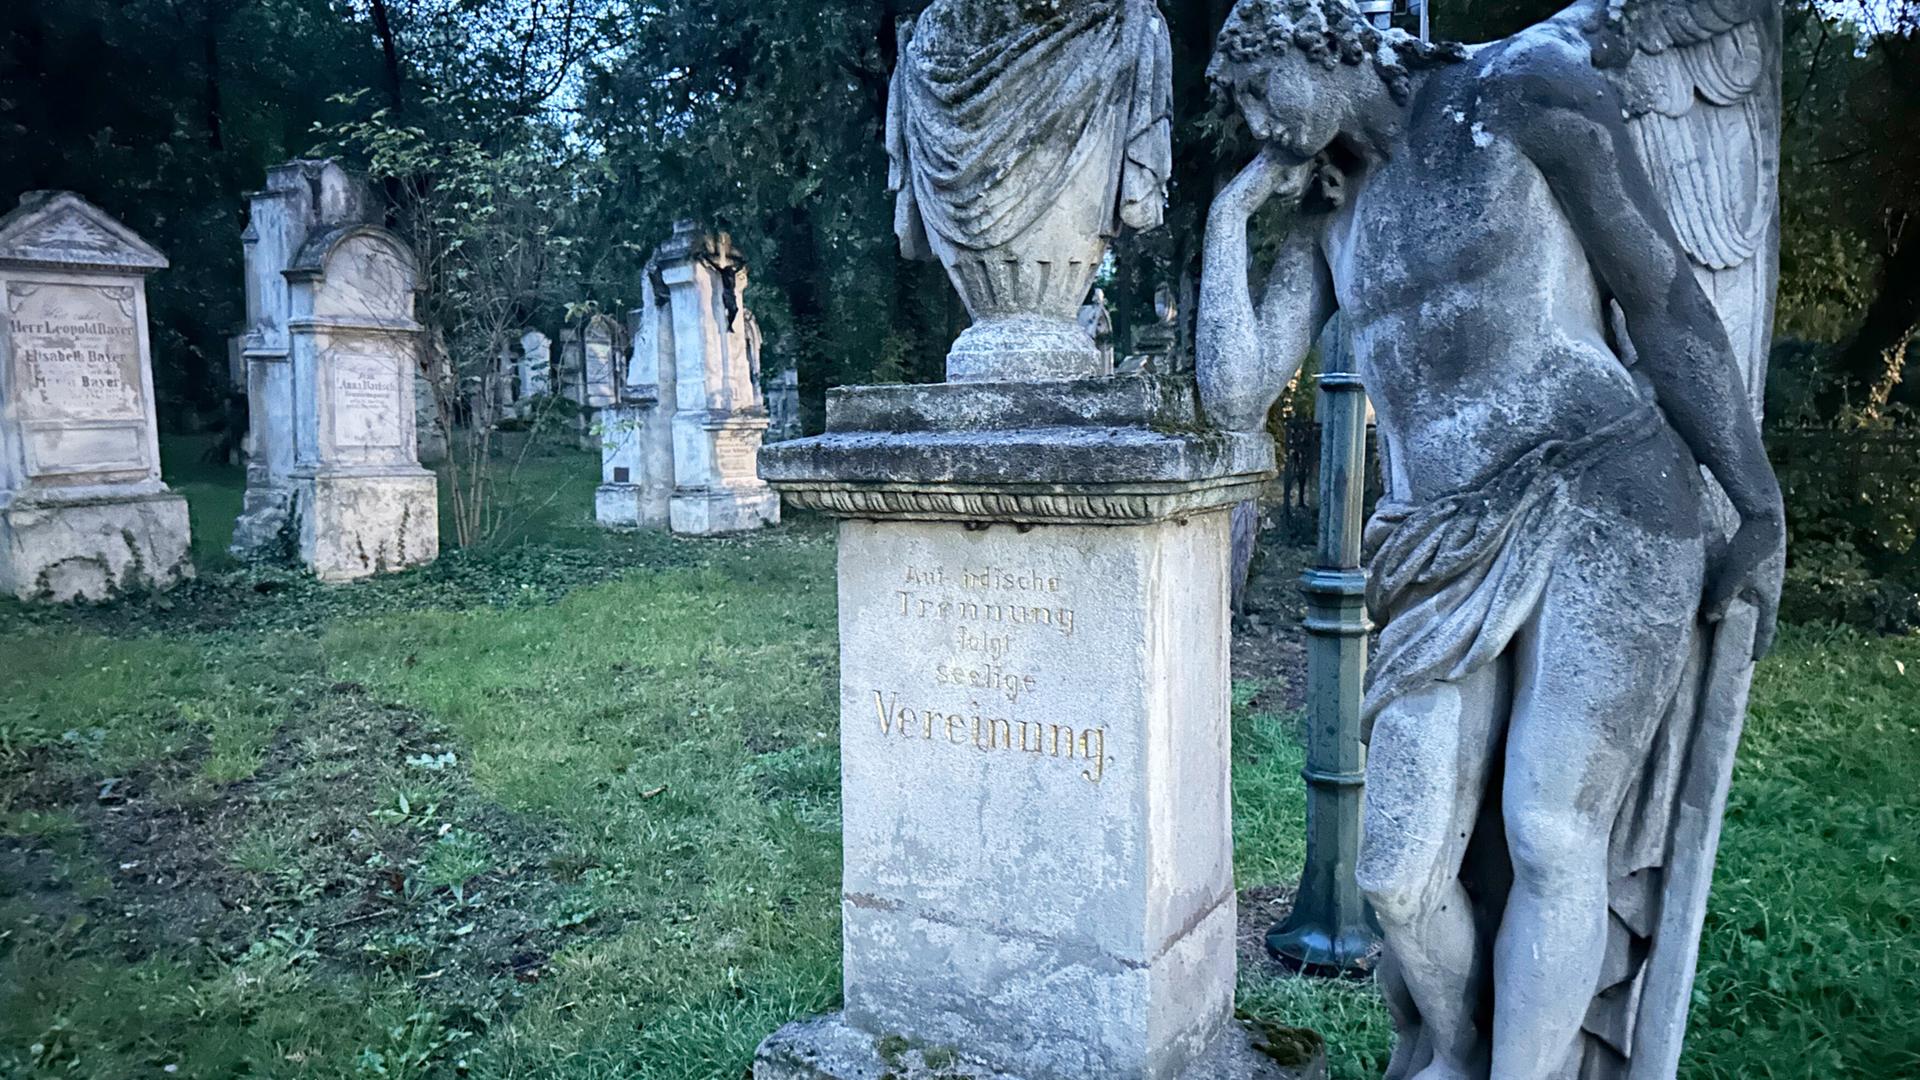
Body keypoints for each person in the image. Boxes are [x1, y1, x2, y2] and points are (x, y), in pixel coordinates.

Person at [1195, 0, 1784, 1075]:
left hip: (1606, 495)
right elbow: (1234, 394)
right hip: (1435, 545)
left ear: (1325, 39)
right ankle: (1457, 1050)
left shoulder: (1521, 89)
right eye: (1238, 106)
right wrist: (1229, 214)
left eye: (1261, 86)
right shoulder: (1328, 213)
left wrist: (1754, 501)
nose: (1257, 122)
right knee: (1397, 873)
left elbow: (1662, 301)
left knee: (1553, 832)